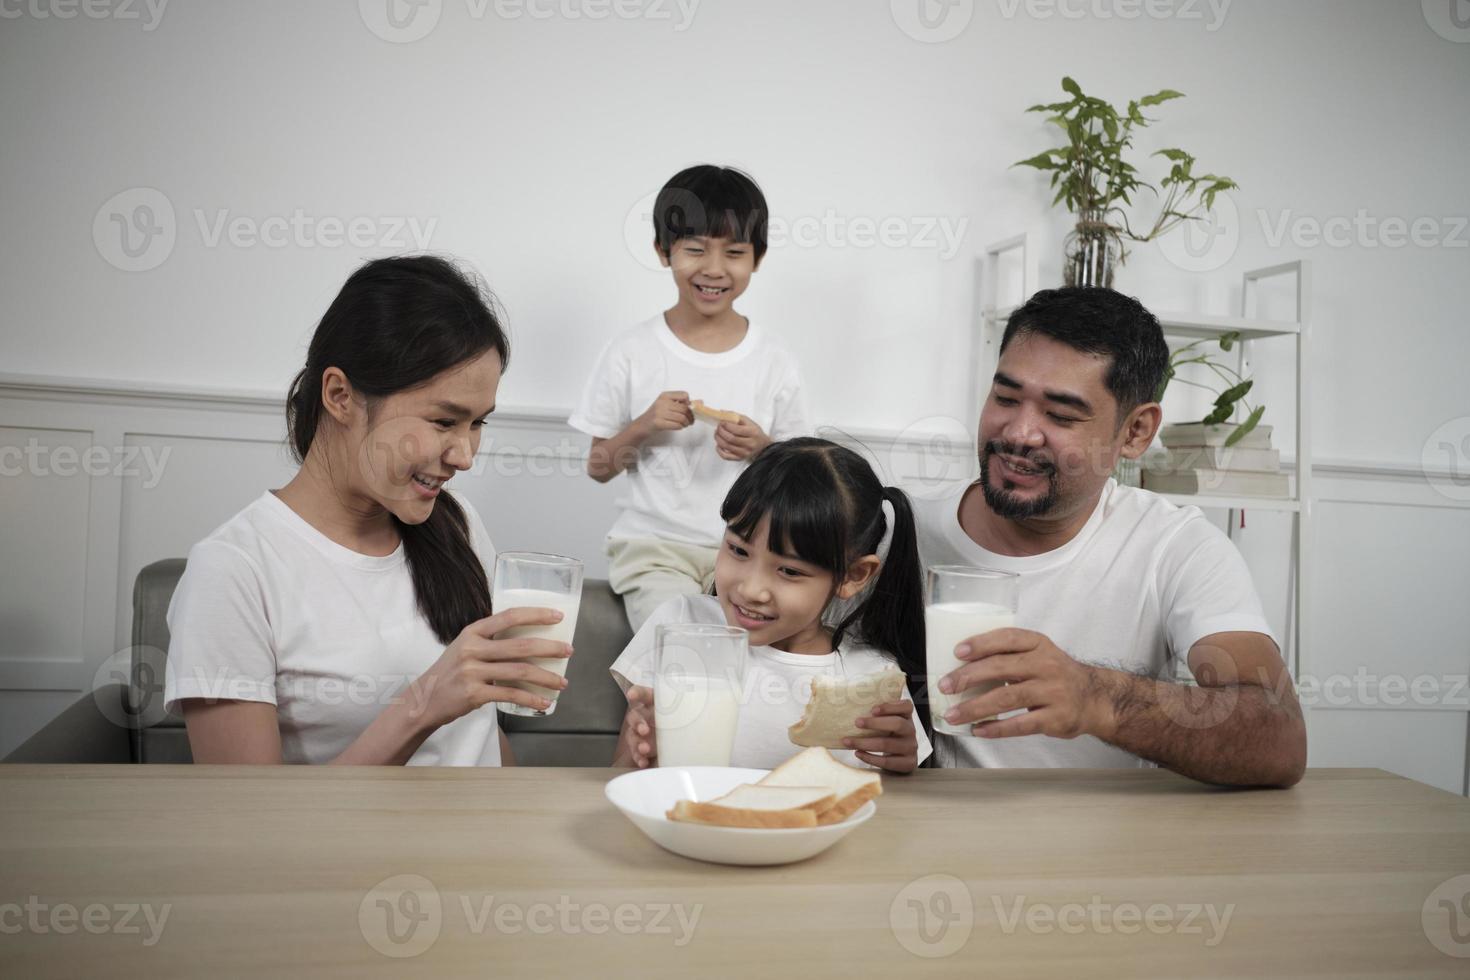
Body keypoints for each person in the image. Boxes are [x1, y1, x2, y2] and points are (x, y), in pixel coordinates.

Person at [162, 256, 572, 765]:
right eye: (445, 421)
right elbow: (251, 827)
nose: (466, 456)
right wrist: (422, 705)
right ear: (339, 395)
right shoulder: (233, 571)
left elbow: (479, 745)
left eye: (478, 424)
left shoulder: (457, 524)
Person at [915, 287, 1306, 787]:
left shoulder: (1175, 547)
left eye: (1060, 415)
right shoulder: (898, 528)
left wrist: (1096, 698)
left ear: (1136, 432)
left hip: (1101, 856)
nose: (1018, 433)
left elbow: (1280, 738)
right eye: (1005, 397)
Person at [569, 164, 810, 631]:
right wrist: (644, 425)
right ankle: (649, 700)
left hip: (751, 554)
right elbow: (599, 467)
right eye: (695, 250)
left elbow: (804, 474)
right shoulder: (631, 350)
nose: (714, 269)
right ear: (664, 252)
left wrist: (763, 451)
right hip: (654, 548)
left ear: (757, 259)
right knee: (683, 644)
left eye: (735, 253)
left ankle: (644, 705)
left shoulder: (775, 358)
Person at [611, 438, 933, 773]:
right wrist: (642, 758)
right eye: (738, 550)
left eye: (789, 571)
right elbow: (619, 773)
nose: (751, 589)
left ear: (853, 576)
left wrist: (898, 769)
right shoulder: (679, 625)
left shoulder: (871, 676)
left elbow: (884, 809)